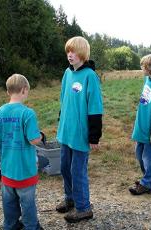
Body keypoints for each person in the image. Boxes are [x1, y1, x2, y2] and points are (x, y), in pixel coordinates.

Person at [56, 36, 103, 223]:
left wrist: (94, 136)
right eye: (68, 51)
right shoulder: (67, 73)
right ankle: (70, 199)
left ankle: (83, 207)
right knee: (64, 167)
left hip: (81, 135)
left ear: (82, 53)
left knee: (78, 171)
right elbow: (63, 99)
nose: (70, 55)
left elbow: (95, 108)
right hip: (66, 132)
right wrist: (62, 119)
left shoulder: (90, 76)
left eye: (73, 51)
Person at [0, 73, 44, 230]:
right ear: (24, 90)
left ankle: (11, 225)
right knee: (28, 205)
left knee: (9, 203)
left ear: (8, 92)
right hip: (25, 171)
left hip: (7, 170)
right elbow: (34, 140)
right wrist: (41, 135)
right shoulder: (27, 113)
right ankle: (31, 226)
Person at [129, 54, 151, 195]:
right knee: (139, 154)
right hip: (142, 125)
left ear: (150, 67)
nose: (141, 68)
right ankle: (150, 176)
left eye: (143, 66)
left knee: (149, 156)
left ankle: (147, 184)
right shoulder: (148, 80)